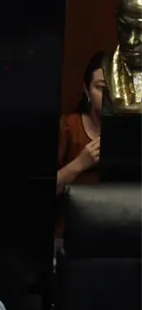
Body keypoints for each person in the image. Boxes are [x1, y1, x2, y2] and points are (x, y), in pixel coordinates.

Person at [56, 52, 105, 201]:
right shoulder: (68, 127)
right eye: (101, 88)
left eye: (117, 89)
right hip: (74, 218)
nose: (110, 96)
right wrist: (80, 163)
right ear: (87, 90)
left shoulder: (133, 132)